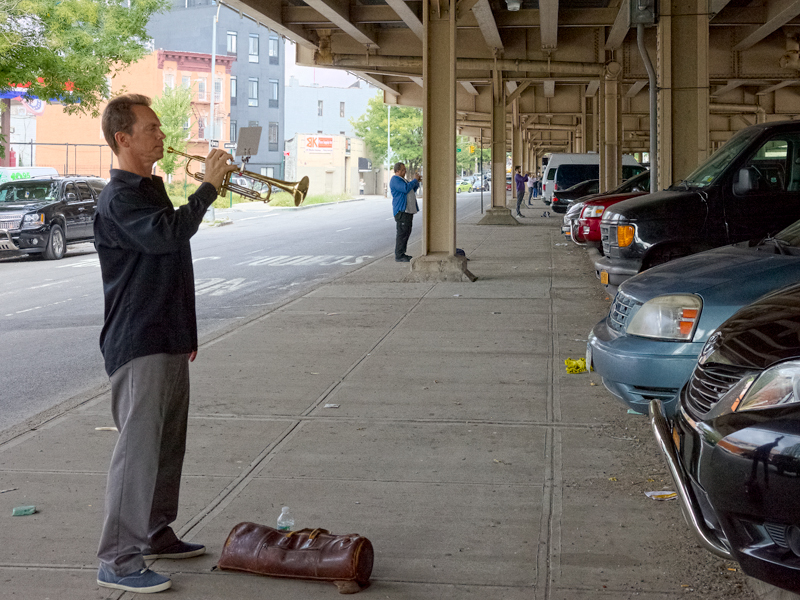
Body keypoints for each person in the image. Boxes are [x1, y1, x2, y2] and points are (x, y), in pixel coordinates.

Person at [94, 93, 238, 594]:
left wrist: (187, 331)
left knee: (166, 447)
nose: (162, 135)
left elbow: (173, 264)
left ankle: (154, 530)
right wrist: (207, 190)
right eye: (151, 128)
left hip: (167, 334)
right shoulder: (119, 197)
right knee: (137, 452)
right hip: (138, 339)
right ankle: (117, 558)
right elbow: (167, 236)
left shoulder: (149, 187)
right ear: (123, 138)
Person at [390, 161, 420, 262]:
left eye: (405, 169)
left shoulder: (403, 180)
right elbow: (405, 189)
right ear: (397, 171)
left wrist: (416, 183)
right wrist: (414, 180)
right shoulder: (395, 180)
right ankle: (399, 255)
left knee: (407, 232)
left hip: (408, 211)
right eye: (403, 170)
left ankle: (403, 253)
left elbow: (411, 190)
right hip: (402, 211)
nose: (405, 171)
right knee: (402, 233)